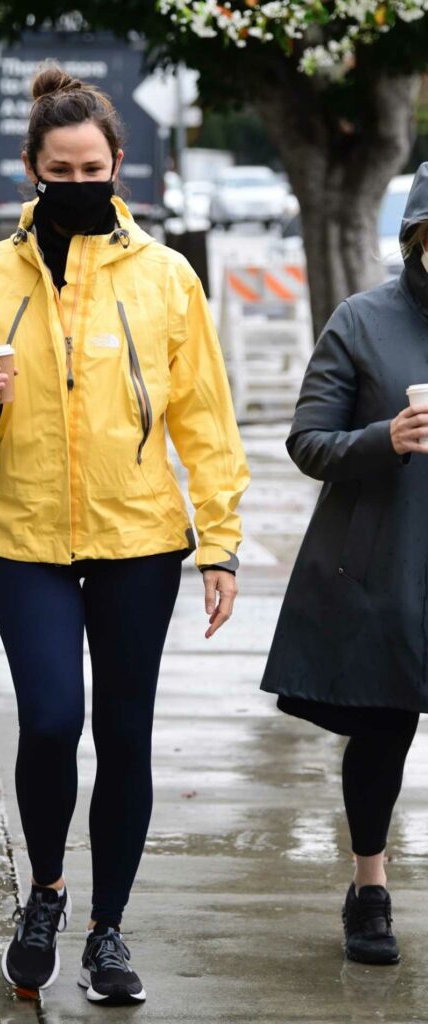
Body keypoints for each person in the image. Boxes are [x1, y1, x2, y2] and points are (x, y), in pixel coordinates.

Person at [0, 63, 249, 1005]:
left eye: (92, 167)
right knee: (53, 717)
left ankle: (108, 931)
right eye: (59, 170)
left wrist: (220, 541)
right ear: (32, 168)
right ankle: (47, 894)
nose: (77, 183)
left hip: (139, 538)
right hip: (20, 536)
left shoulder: (166, 277)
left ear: (118, 165)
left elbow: (207, 424)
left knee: (126, 733)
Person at [261, 162, 428, 967]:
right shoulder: (362, 321)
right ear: (421, 238)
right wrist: (384, 437)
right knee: (383, 730)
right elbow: (307, 442)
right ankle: (370, 889)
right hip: (386, 569)